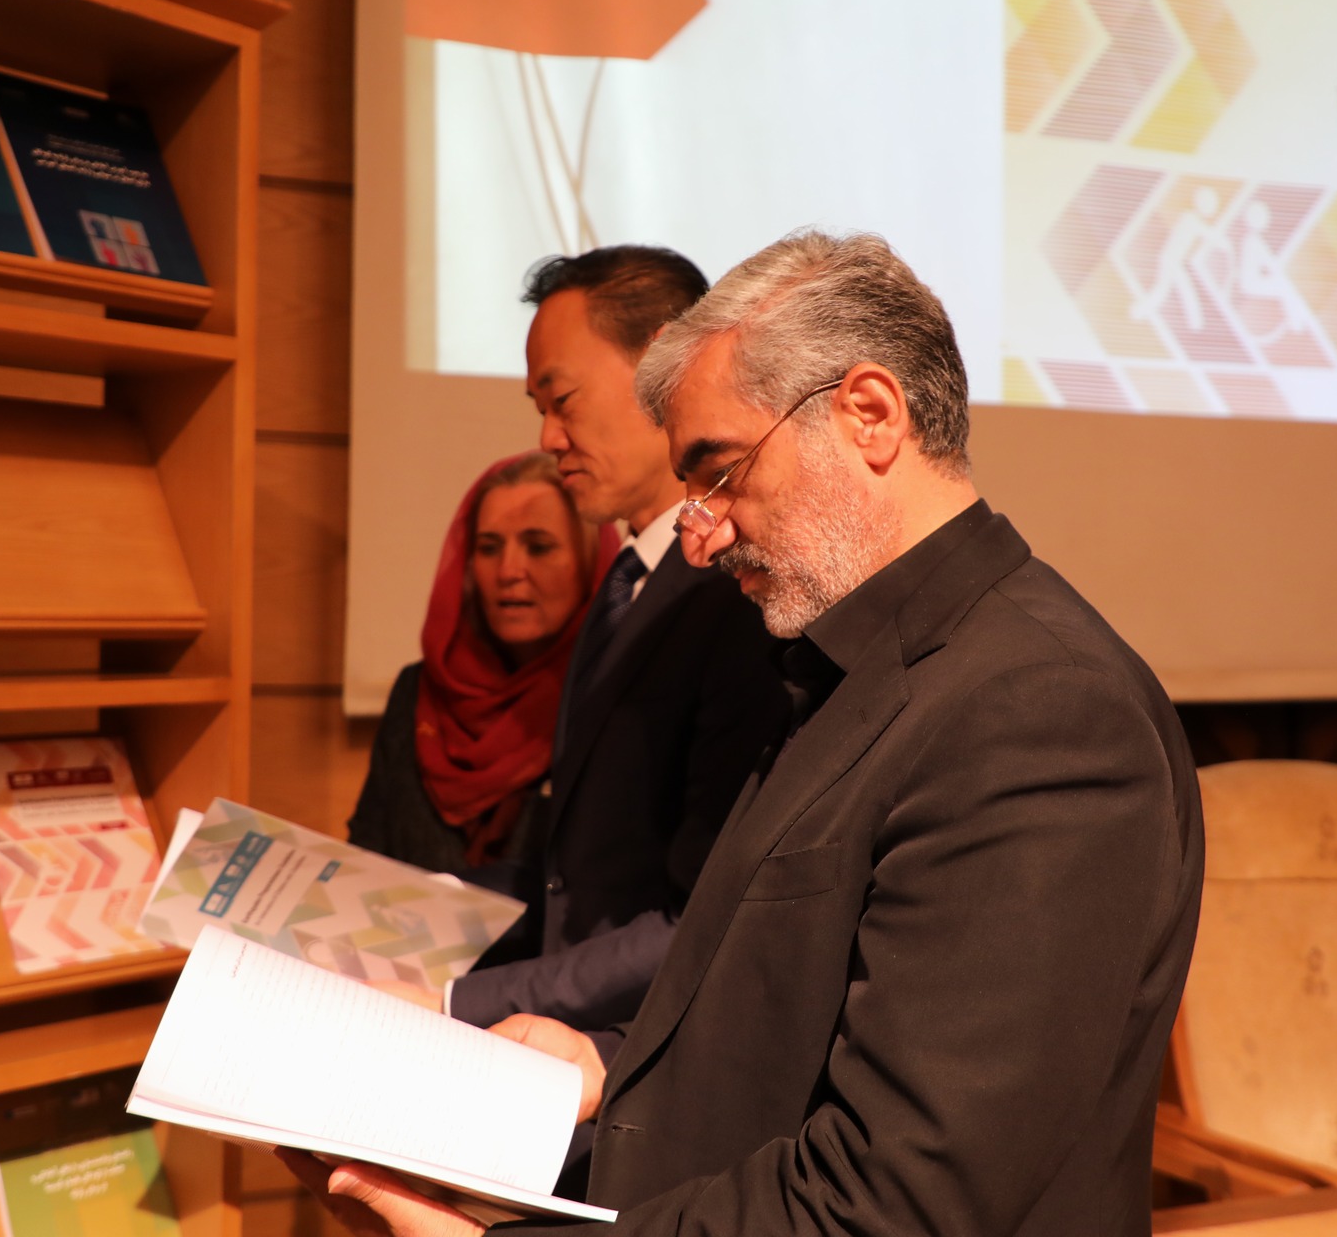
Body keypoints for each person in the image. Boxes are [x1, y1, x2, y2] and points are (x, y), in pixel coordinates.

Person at [291, 231, 1205, 1235]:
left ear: (869, 414)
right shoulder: (861, 663)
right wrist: (602, 1063)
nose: (702, 532)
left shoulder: (1039, 710)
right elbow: (791, 1007)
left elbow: (893, 1200)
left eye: (722, 472)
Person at [394, 246, 789, 1037]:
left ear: (662, 367)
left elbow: (701, 915)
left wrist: (455, 1004)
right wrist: (395, 914)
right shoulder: (628, 582)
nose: (548, 436)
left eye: (564, 400)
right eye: (539, 407)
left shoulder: (737, 592)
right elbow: (584, 873)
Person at [348, 451, 616, 875]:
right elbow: (365, 858)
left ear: (590, 561)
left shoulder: (612, 696)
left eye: (538, 547)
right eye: (489, 548)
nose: (509, 570)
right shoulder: (418, 692)